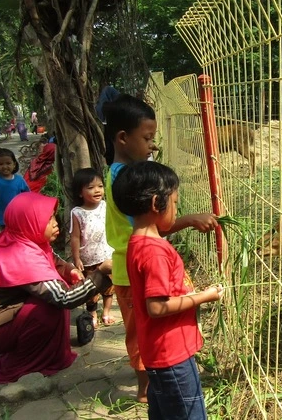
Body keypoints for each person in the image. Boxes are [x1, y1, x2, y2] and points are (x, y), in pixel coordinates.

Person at [103, 93, 218, 403]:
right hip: (133, 271)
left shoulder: (120, 173)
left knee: (141, 329)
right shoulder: (125, 179)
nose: (152, 145)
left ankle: (151, 382)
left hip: (130, 264)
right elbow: (154, 223)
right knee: (140, 332)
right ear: (123, 138)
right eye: (148, 138)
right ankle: (148, 387)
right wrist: (189, 219)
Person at [0, 192, 113, 385]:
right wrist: (100, 274)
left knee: (52, 293)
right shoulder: (22, 255)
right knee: (47, 307)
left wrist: (69, 269)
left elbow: (54, 261)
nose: (55, 223)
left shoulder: (18, 240)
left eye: (54, 216)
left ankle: (38, 349)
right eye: (47, 219)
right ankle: (28, 361)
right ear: (27, 222)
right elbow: (65, 298)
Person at [113, 161, 223, 419]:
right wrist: (203, 297)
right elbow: (158, 307)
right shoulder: (155, 252)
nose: (176, 210)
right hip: (172, 356)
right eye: (174, 203)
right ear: (155, 204)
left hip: (157, 353)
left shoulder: (137, 241)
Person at [69, 167, 115, 328]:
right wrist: (76, 258)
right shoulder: (77, 212)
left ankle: (107, 312)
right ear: (80, 193)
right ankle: (92, 313)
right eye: (90, 187)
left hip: (107, 256)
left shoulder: (105, 206)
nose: (97, 190)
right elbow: (74, 237)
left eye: (100, 186)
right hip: (88, 259)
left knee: (109, 287)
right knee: (92, 289)